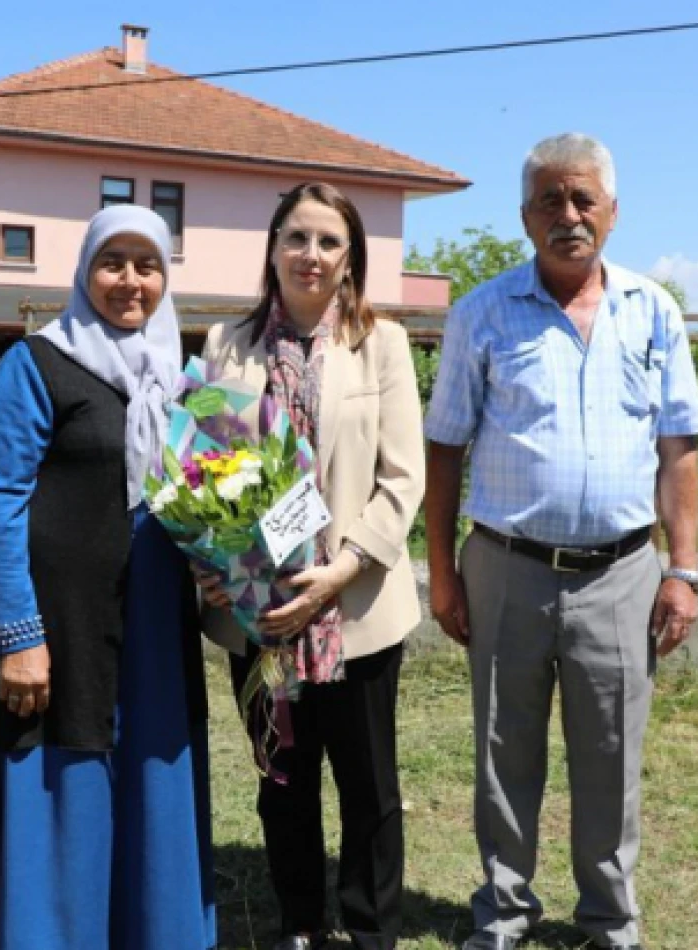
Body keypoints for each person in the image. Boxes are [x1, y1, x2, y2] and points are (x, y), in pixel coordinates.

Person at [423, 134, 698, 950]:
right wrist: (441, 574)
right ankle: (505, 910)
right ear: (524, 218)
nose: (568, 216)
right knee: (502, 749)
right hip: (505, 569)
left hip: (621, 574)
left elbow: (680, 449)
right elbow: (444, 448)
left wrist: (682, 572)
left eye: (583, 199)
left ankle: (610, 919)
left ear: (613, 213)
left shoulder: (653, 311)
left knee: (611, 756)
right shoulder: (481, 313)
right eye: (550, 201)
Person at [0, 206, 215, 950]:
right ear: (84, 271)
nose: (130, 281)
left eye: (147, 265)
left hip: (154, 626)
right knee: (63, 780)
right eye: (114, 262)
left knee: (152, 781)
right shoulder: (36, 364)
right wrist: (19, 636)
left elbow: (211, 495)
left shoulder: (184, 376)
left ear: (166, 277)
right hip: (60, 626)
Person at [198, 182, 426, 950]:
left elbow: (403, 480)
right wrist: (219, 563)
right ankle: (299, 923)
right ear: (272, 248)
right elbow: (202, 469)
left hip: (355, 610)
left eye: (330, 242)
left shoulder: (383, 344)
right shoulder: (226, 345)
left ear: (350, 257)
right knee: (283, 781)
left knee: (368, 789)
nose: (312, 255)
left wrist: (340, 572)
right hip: (259, 612)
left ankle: (367, 932)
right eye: (298, 237)